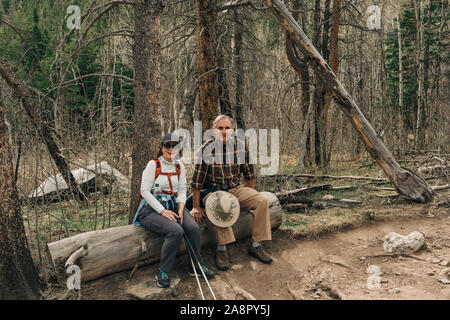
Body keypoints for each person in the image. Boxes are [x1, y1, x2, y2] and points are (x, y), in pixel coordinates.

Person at [191, 115, 273, 271]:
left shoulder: (240, 147)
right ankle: (221, 249)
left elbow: (249, 174)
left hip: (235, 189)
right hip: (213, 191)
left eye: (227, 128)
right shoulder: (206, 150)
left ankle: (256, 245)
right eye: (220, 128)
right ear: (214, 131)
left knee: (261, 201)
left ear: (232, 130)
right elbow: (196, 182)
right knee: (221, 205)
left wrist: (251, 196)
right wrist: (196, 207)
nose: (223, 131)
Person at [137, 133, 214, 288]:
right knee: (175, 231)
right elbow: (144, 191)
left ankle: (196, 266)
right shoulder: (154, 165)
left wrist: (181, 206)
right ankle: (163, 271)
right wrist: (162, 211)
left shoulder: (179, 166)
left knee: (192, 227)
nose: (171, 149)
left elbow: (182, 190)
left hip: (174, 205)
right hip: (151, 209)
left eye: (175, 146)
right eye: (167, 146)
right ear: (162, 147)